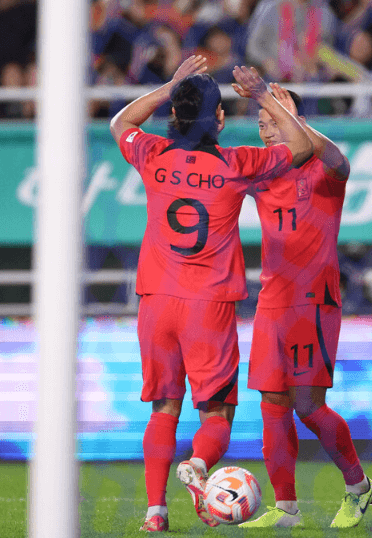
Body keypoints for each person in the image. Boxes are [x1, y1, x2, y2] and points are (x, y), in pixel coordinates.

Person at [110, 58, 312, 532]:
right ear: (219, 119)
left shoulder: (152, 153)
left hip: (156, 300)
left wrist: (170, 85)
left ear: (172, 116)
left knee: (164, 408)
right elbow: (302, 146)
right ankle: (198, 464)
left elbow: (120, 122)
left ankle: (155, 513)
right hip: (209, 304)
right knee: (216, 413)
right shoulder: (237, 163)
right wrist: (262, 96)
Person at [233, 83, 372, 529]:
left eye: (277, 119)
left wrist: (277, 106)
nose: (268, 129)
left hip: (314, 297)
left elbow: (338, 159)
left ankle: (359, 486)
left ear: (298, 120)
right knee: (272, 402)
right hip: (272, 300)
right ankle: (286, 509)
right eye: (262, 122)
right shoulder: (262, 173)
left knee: (308, 405)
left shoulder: (324, 169)